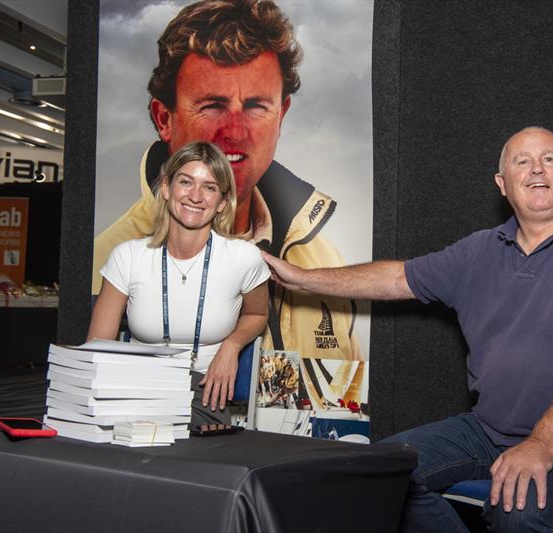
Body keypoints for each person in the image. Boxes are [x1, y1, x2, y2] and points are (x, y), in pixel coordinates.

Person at [262, 127, 553, 532]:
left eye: (550, 159)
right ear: (503, 184)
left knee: (518, 511)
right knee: (376, 473)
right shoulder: (478, 252)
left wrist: (542, 444)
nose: (537, 169)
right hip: (490, 430)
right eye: (523, 161)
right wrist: (303, 278)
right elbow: (396, 278)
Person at [92, 0, 362, 363]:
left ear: (281, 115)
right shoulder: (112, 255)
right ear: (163, 118)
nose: (234, 132)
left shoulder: (319, 256)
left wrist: (231, 346)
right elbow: (96, 359)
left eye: (255, 106)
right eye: (212, 105)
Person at [88, 141, 270, 423]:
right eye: (186, 182)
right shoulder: (128, 256)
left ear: (222, 202)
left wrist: (232, 345)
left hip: (203, 393)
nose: (195, 196)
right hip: (135, 390)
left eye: (209, 187)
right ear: (166, 188)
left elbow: (257, 313)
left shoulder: (243, 257)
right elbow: (97, 346)